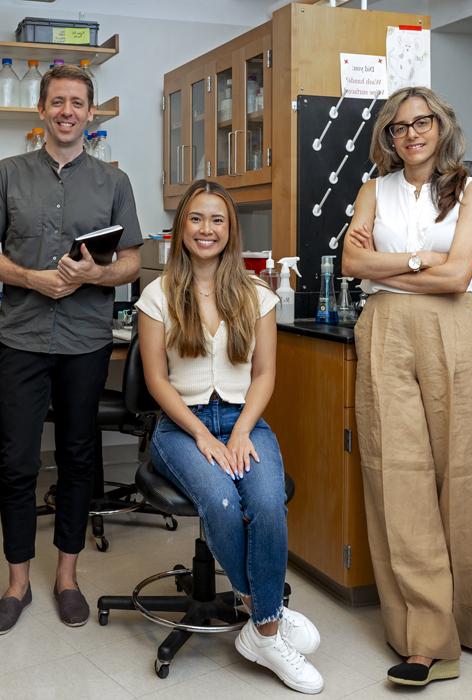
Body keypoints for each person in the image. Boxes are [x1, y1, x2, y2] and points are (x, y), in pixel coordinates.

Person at [0, 64, 142, 634]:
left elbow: (133, 263)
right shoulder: (8, 174)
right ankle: (17, 584)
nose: (67, 111)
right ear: (42, 110)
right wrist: (31, 278)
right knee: (16, 462)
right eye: (58, 101)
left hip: (85, 341)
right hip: (20, 335)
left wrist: (94, 276)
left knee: (77, 458)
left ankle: (67, 577)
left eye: (78, 103)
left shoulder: (113, 183)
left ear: (91, 114)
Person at [136, 179, 324, 695]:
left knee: (265, 503)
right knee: (220, 501)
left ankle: (260, 623)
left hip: (244, 421)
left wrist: (240, 432)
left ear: (230, 230)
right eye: (196, 218)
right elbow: (156, 380)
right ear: (182, 227)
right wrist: (202, 436)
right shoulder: (157, 294)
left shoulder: (257, 295)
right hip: (181, 426)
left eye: (217, 220)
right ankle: (266, 622)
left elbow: (264, 375)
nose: (206, 229)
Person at [341, 86, 472, 687]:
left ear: (441, 127)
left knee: (461, 474)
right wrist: (416, 262)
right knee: (397, 477)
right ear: (388, 136)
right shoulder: (371, 190)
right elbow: (352, 266)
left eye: (422, 122)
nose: (411, 133)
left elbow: (461, 274)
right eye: (400, 126)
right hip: (383, 327)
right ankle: (425, 641)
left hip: (453, 331)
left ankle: (471, 623)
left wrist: (394, 259)